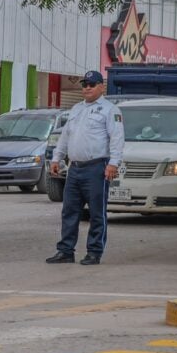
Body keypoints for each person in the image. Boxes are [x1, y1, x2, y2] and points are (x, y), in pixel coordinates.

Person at [46, 70, 125, 266]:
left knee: (97, 212)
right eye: (84, 84)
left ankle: (94, 252)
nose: (87, 88)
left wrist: (113, 163)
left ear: (101, 87)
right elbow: (66, 136)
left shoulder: (110, 110)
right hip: (75, 168)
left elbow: (117, 138)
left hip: (97, 167)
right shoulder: (76, 109)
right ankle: (65, 250)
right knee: (69, 211)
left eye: (92, 84)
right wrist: (57, 158)